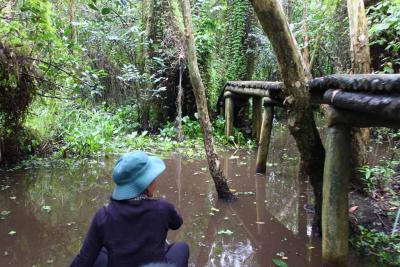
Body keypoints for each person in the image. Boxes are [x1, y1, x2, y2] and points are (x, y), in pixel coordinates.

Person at [70, 151, 189, 267]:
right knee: (182, 247)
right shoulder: (163, 208)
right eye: (153, 177)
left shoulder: (103, 215)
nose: (155, 180)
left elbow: (84, 259)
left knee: (98, 251)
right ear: (146, 184)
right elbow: (177, 223)